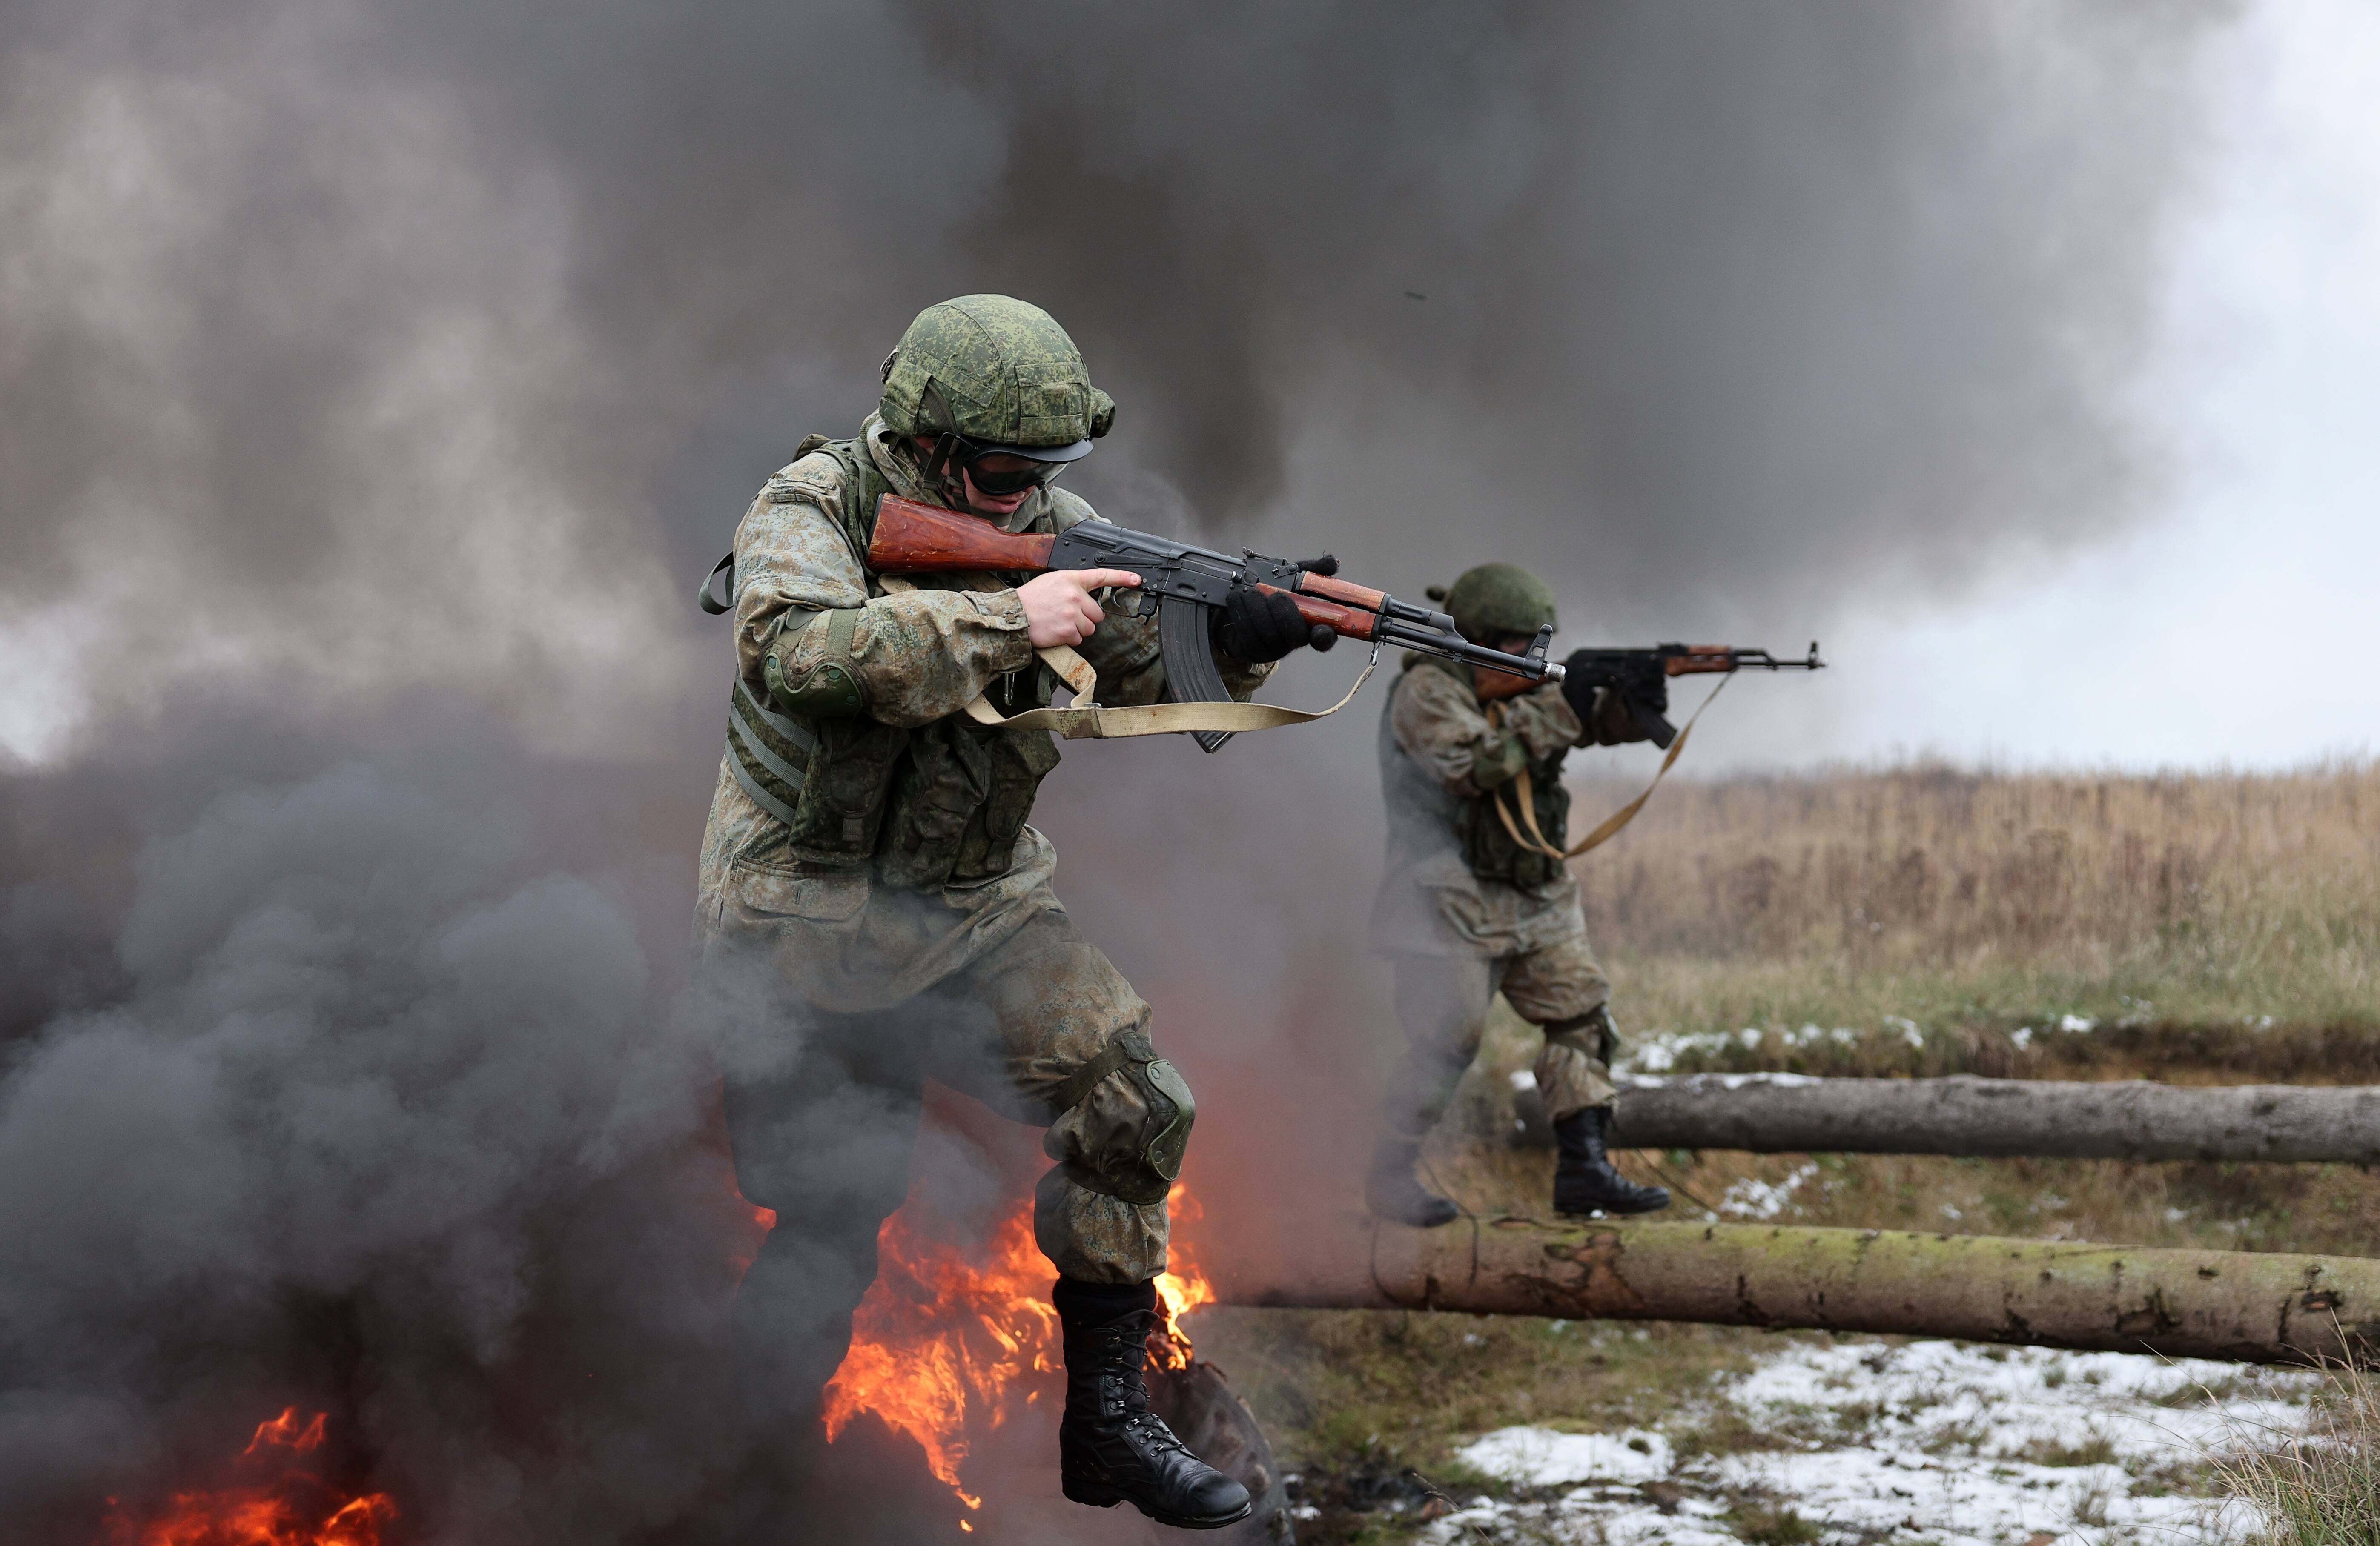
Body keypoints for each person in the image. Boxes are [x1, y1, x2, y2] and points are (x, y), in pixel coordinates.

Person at [696, 295, 1319, 1529]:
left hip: (975, 912)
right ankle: (734, 1465)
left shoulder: (1051, 528)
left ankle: (1107, 1426)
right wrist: (1005, 618)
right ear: (927, 447)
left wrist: (1252, 637)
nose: (1025, 499)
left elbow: (1155, 674)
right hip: (798, 924)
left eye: (1046, 473)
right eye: (999, 474)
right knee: (829, 1209)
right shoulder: (807, 510)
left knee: (1138, 1108)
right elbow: (801, 656)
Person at [1366, 563, 1672, 1227]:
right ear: (1475, 635)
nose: (1530, 660)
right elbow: (1469, 767)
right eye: (1515, 647)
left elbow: (1575, 731)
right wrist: (1557, 710)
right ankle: (1387, 1175)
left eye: (1537, 644)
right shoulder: (1425, 690)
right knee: (1447, 1041)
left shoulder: (1523, 691)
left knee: (1581, 1019)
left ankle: (1584, 1170)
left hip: (1534, 894)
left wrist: (1618, 701)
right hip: (1443, 898)